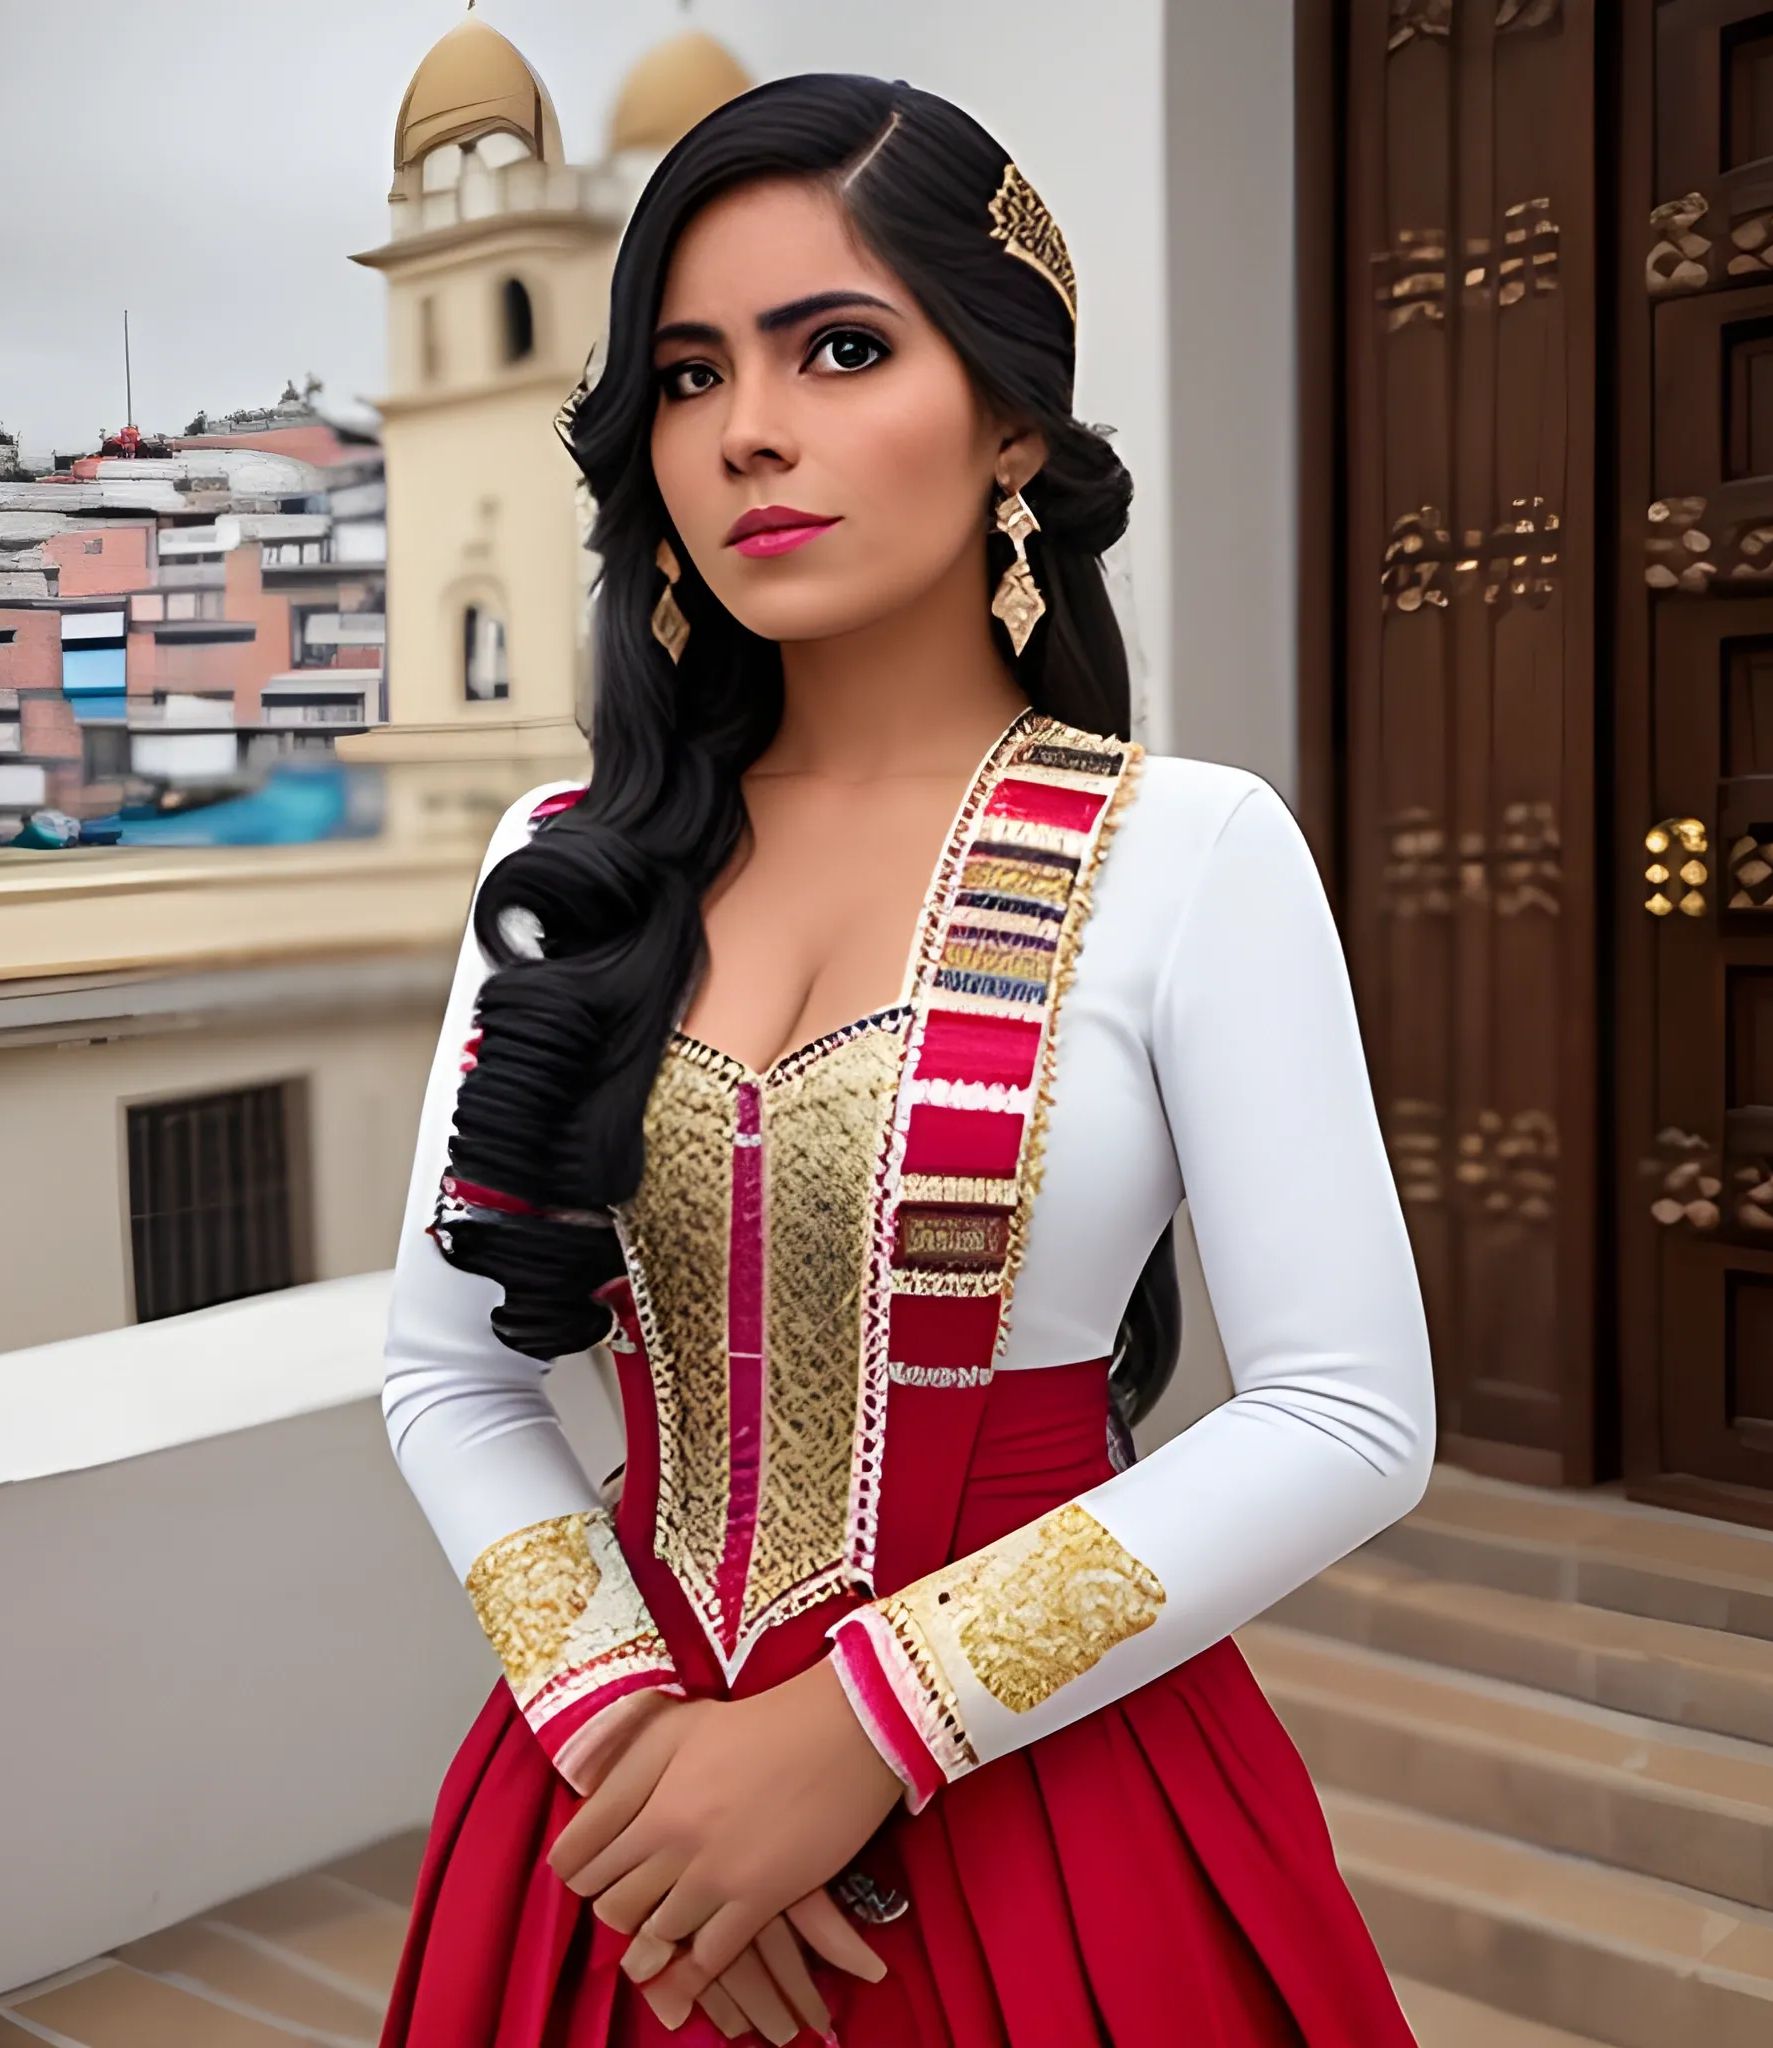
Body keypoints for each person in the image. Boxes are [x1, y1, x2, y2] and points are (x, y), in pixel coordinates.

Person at [378, 72, 1432, 2048]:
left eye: (838, 348)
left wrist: (856, 1727)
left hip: (1044, 1794)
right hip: (615, 1799)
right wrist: (632, 1746)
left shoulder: (1189, 852)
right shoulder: (572, 867)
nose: (749, 430)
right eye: (687, 376)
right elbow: (448, 1370)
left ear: (1011, 417)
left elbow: (1349, 1412)